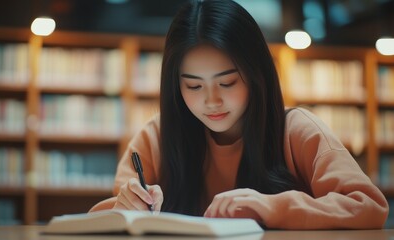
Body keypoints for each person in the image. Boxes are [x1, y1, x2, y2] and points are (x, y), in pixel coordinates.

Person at [89, 0, 388, 229]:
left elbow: (369, 206)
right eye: (193, 85)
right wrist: (124, 206)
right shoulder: (156, 136)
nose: (211, 101)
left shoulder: (297, 130)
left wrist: (270, 207)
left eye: (227, 82)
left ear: (256, 74)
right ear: (174, 85)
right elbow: (103, 219)